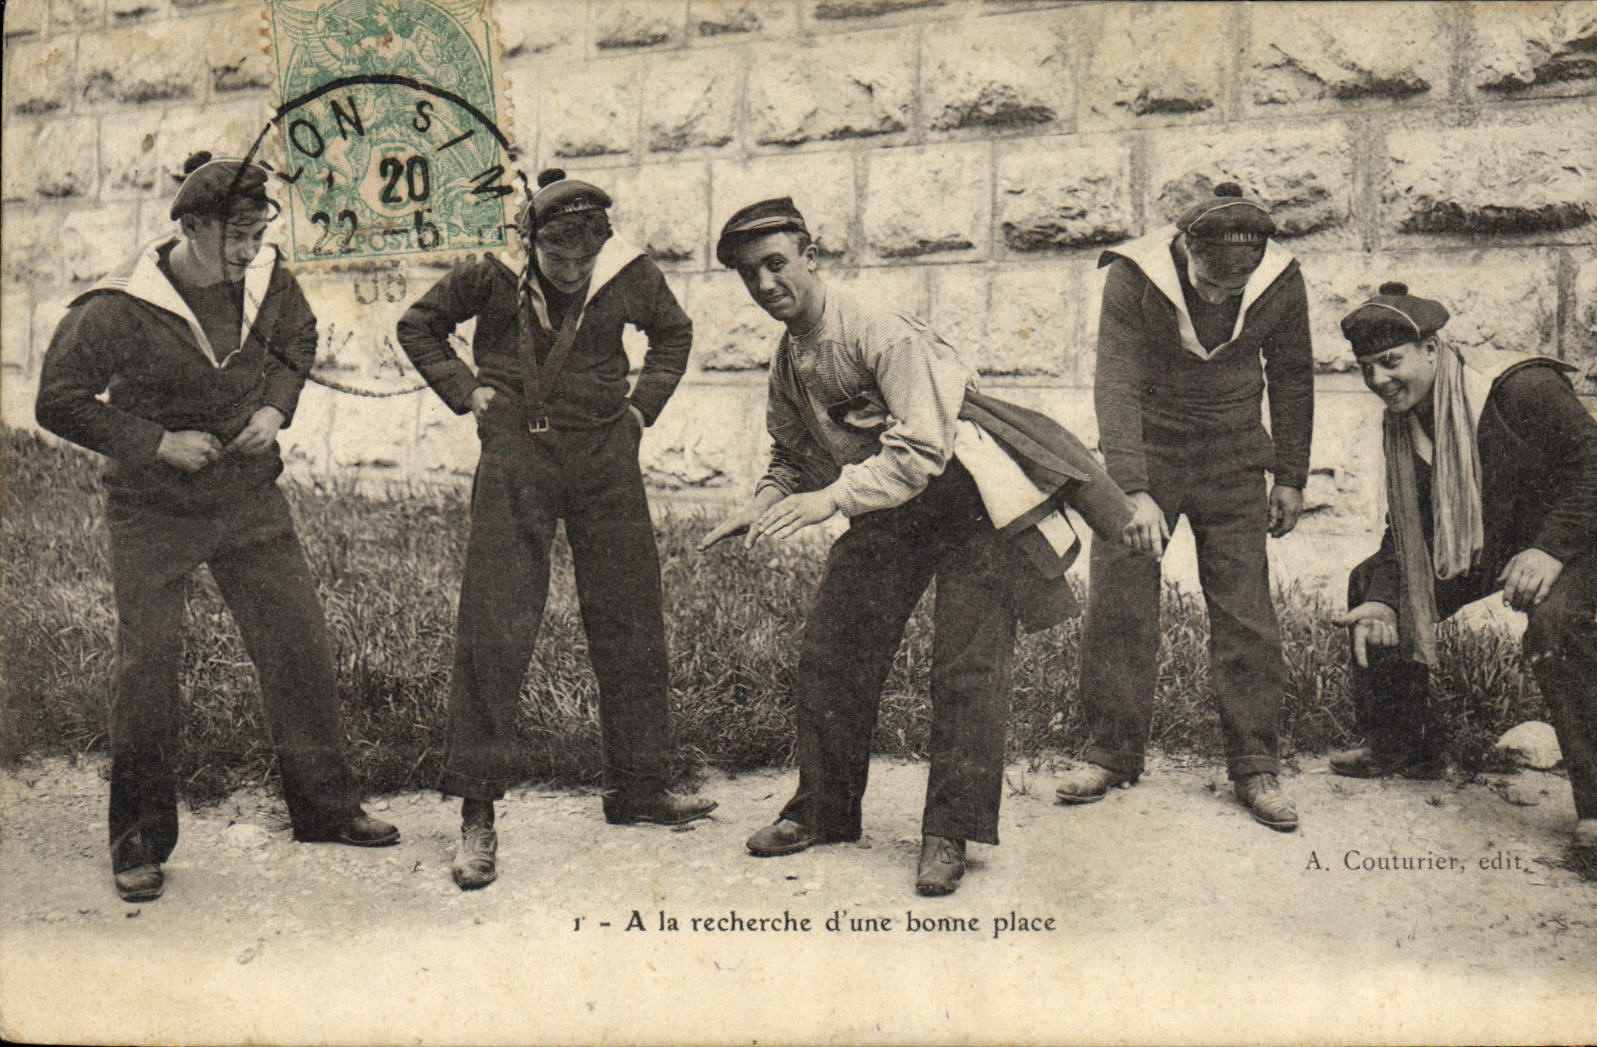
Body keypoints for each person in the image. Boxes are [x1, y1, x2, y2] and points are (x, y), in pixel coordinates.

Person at [701, 198, 1132, 896]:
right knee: (832, 649)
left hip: (965, 499)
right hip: (890, 506)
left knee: (967, 665)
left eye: (775, 264)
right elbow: (791, 454)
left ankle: (949, 833)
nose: (764, 283)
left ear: (811, 256)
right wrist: (762, 503)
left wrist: (829, 501)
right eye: (749, 273)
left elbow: (922, 450)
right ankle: (823, 809)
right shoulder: (788, 358)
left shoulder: (878, 329)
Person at [35, 152, 399, 904]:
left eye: (259, 231)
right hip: (153, 510)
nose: (249, 249)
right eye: (235, 235)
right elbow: (58, 400)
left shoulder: (269, 278)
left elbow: (299, 337)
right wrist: (154, 443)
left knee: (298, 643)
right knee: (148, 666)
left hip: (246, 500)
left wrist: (274, 407)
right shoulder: (118, 304)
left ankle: (326, 809)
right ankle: (138, 842)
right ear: (191, 226)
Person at [396, 169, 714, 891]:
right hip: (518, 454)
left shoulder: (627, 271)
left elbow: (673, 333)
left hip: (605, 453)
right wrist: (465, 390)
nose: (572, 271)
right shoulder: (489, 272)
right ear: (530, 240)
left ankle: (639, 788)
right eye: (557, 257)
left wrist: (641, 411)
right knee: (496, 623)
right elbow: (417, 325)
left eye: (584, 258)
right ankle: (477, 812)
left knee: (630, 614)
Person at [1331, 283, 1597, 873]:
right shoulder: (1405, 421)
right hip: (1494, 535)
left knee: (1556, 626)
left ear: (1432, 350)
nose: (1379, 380)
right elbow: (1407, 531)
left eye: (1390, 362)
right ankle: (1400, 747)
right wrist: (1387, 603)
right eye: (1367, 369)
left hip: (1581, 526)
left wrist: (1548, 550)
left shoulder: (1520, 387)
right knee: (1372, 584)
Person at [1058, 182, 1314, 832]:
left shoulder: (1282, 279)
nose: (1221, 297)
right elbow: (1114, 380)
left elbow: (1292, 375)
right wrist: (1131, 487)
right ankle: (1110, 752)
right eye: (1209, 282)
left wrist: (1290, 476)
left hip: (1234, 455)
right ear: (1183, 247)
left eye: (1236, 286)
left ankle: (1254, 763)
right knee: (1120, 599)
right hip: (1151, 451)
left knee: (1245, 608)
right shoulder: (1132, 275)